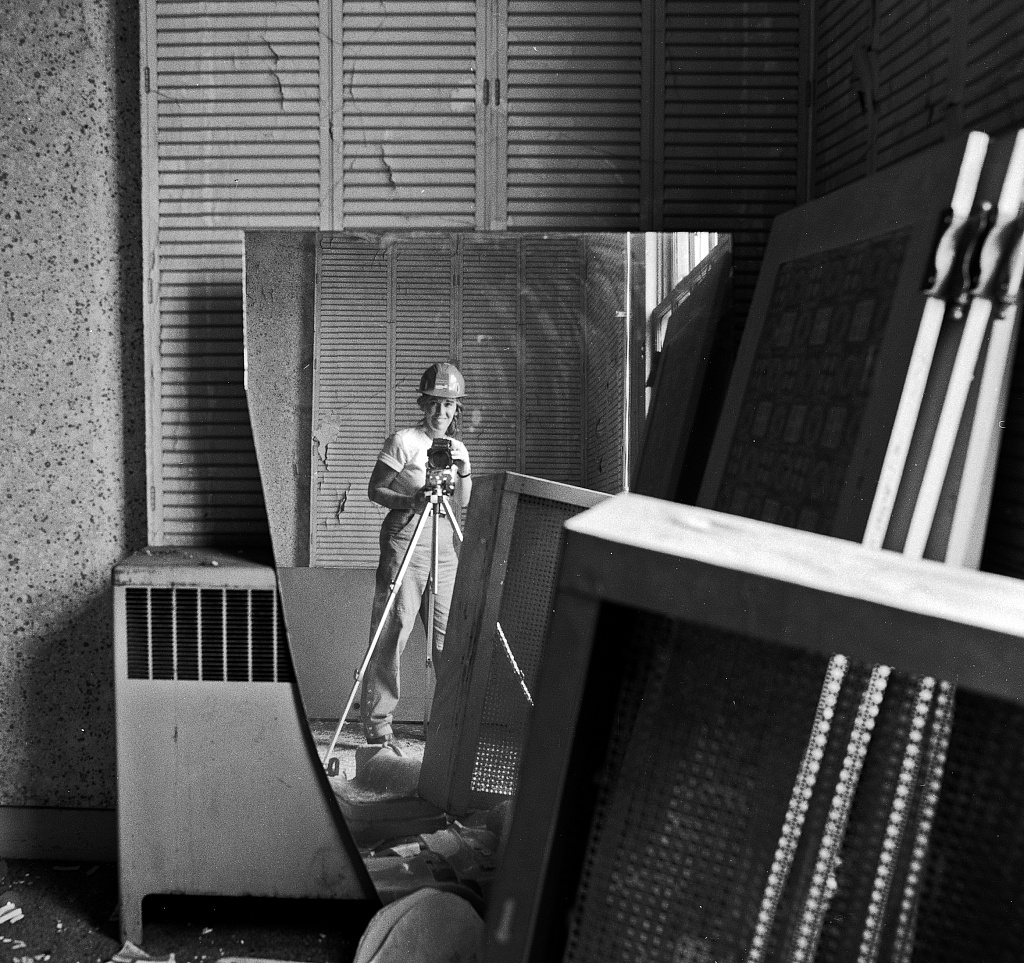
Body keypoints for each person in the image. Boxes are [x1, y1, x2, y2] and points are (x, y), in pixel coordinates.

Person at [360, 362, 473, 746]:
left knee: (447, 636)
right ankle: (378, 725)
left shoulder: (457, 449)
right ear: (423, 403)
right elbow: (375, 491)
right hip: (406, 536)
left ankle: (449, 724)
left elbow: (462, 503)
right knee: (395, 629)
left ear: (457, 409)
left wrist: (464, 473)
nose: (441, 413)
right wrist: (412, 498)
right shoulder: (403, 441)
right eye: (435, 404)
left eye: (449, 405)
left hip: (444, 541)